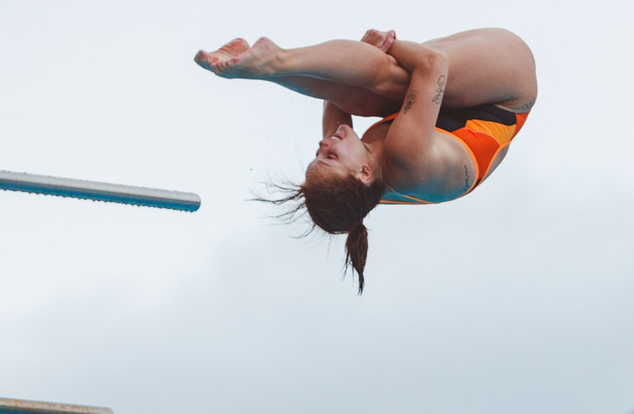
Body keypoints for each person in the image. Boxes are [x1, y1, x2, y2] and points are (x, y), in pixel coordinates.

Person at [195, 28, 537, 291]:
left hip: (449, 108)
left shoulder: (362, 177)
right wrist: (383, 44)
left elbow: (333, 88)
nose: (324, 143)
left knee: (356, 93)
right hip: (507, 90)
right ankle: (274, 60)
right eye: (329, 155)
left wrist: (353, 62)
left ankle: (265, 66)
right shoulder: (407, 160)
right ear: (361, 172)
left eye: (319, 153)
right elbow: (433, 65)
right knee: (390, 76)